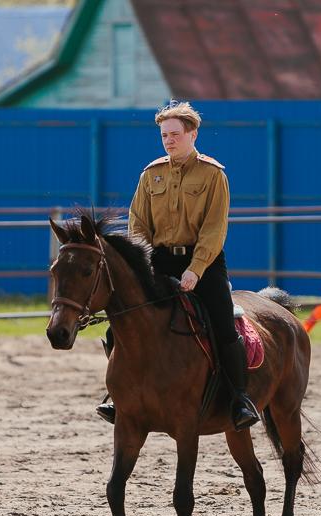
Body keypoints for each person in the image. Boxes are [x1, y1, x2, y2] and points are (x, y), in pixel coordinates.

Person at [96, 101, 261, 429]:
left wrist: (195, 269)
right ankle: (119, 396)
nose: (168, 141)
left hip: (204, 262)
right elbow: (138, 224)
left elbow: (214, 229)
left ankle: (239, 399)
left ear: (193, 134)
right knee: (119, 324)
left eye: (174, 134)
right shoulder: (150, 174)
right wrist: (142, 265)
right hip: (157, 261)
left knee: (223, 323)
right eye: (164, 135)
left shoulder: (213, 174)